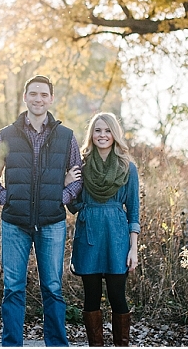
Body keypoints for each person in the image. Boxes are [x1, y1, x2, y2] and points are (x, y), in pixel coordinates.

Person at [0, 75, 83, 347]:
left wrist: (60, 198)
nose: (38, 99)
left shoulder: (66, 137)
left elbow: (78, 177)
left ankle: (57, 345)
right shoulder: (6, 135)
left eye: (43, 95)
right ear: (25, 97)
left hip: (52, 223)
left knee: (52, 288)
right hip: (15, 222)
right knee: (13, 288)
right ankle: (12, 344)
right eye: (33, 94)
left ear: (51, 99)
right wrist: (7, 199)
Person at [69, 113, 140, 347]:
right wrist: (66, 182)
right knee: (91, 297)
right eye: (97, 130)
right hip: (88, 234)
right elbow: (73, 205)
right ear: (92, 134)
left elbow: (133, 211)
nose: (102, 135)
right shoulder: (81, 165)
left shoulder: (127, 168)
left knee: (117, 296)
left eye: (107, 130)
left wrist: (133, 249)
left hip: (117, 237)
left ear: (114, 135)